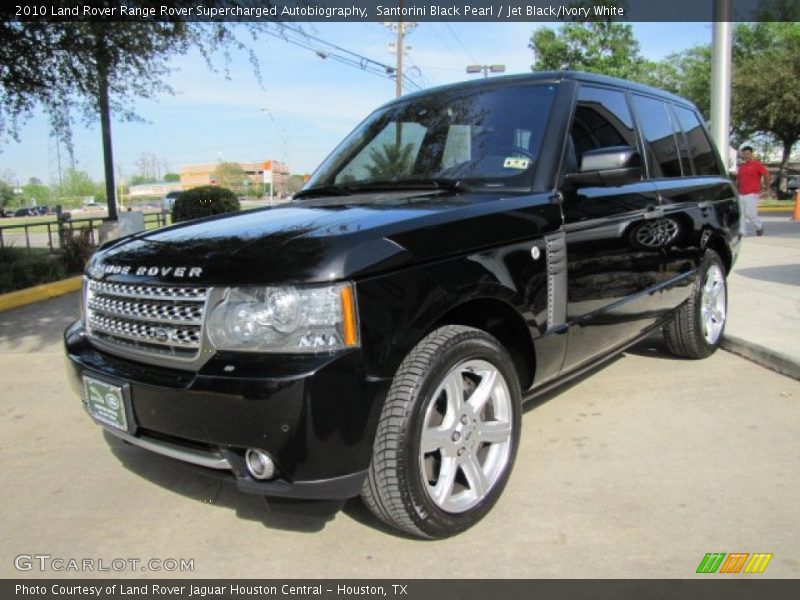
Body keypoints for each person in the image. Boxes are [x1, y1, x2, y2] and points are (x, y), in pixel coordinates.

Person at [736, 146, 769, 236]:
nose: (746, 156)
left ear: (751, 154)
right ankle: (742, 232)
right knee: (740, 214)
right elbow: (738, 180)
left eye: (748, 153)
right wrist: (735, 190)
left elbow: (766, 174)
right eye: (744, 154)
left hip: (752, 193)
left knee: (750, 214)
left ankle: (759, 226)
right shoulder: (741, 166)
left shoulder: (757, 164)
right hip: (741, 193)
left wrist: (767, 189)